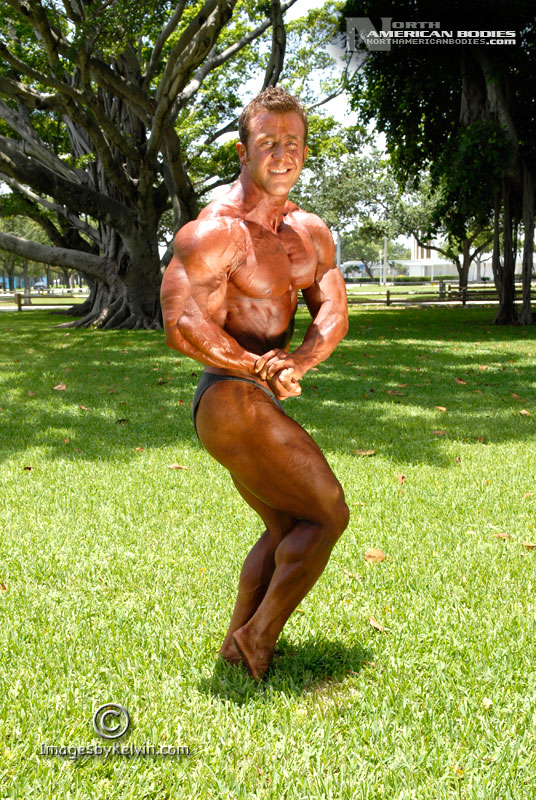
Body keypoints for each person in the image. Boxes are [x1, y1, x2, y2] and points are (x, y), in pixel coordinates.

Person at [160, 87, 349, 680]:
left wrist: (300, 361)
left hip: (256, 393)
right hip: (226, 395)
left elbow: (333, 307)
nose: (282, 153)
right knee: (329, 513)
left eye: (292, 143)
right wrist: (256, 366)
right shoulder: (216, 230)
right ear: (243, 152)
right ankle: (258, 639)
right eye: (268, 142)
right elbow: (181, 324)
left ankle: (235, 646)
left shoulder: (309, 232)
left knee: (288, 526)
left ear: (305, 152)